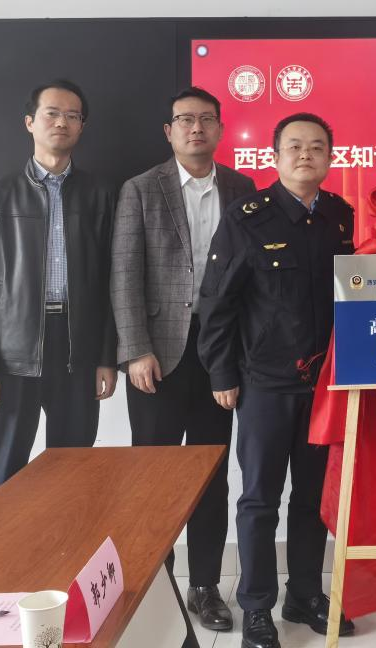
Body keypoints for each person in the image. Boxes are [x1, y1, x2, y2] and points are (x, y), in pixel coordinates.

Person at [198, 113, 357, 648]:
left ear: (330, 157)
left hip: (324, 385)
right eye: (294, 147)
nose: (305, 155)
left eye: (317, 147)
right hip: (264, 382)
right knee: (260, 500)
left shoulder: (338, 216)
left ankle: (305, 594)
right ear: (275, 157)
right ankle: (257, 605)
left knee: (312, 497)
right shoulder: (248, 217)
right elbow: (217, 301)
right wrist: (222, 371)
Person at [111, 86, 254, 631]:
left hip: (220, 352)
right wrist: (135, 350)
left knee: (210, 474)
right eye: (185, 120)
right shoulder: (141, 189)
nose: (197, 128)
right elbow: (124, 274)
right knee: (154, 477)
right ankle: (157, 582)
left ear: (220, 130)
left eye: (206, 119)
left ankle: (204, 586)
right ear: (169, 132)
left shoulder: (242, 188)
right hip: (158, 355)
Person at [0, 79, 118, 498]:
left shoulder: (100, 195)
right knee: (3, 479)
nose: (62, 122)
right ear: (30, 122)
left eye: (72, 116)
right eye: (52, 113)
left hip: (77, 352)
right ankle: (1, 546)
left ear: (82, 126)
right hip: (12, 356)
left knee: (72, 476)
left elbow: (110, 284)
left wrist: (106, 357)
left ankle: (66, 544)